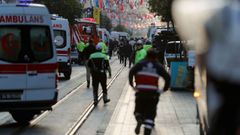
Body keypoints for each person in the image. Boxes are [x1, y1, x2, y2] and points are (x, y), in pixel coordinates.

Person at [129, 49, 170, 135]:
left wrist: (132, 84)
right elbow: (167, 77)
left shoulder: (140, 63)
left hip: (141, 92)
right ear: (156, 56)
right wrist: (164, 89)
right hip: (153, 94)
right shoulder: (158, 65)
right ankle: (147, 132)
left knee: (138, 110)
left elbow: (131, 71)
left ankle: (139, 118)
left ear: (146, 55)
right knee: (150, 114)